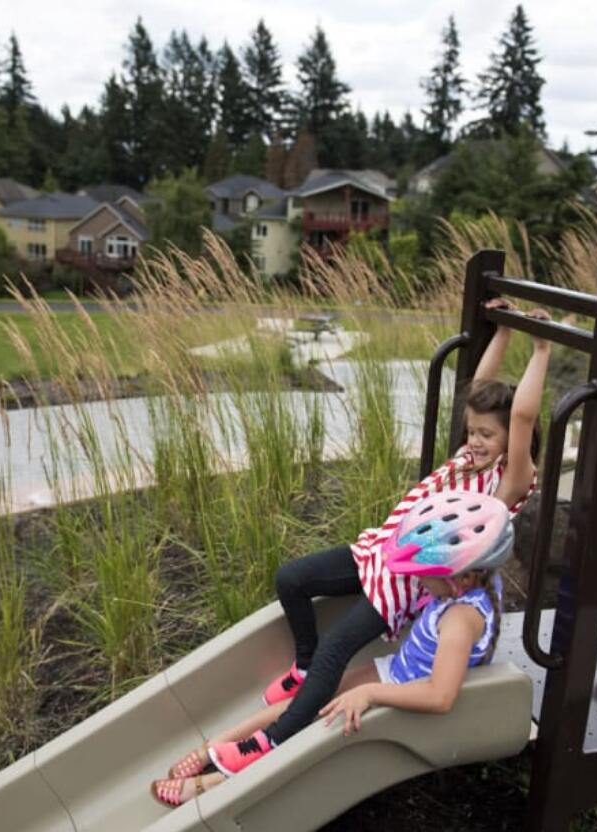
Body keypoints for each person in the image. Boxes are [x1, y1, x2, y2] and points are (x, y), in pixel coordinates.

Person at [180, 299, 552, 780]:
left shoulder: (507, 484)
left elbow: (520, 418)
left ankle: (271, 740)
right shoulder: (468, 456)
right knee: (291, 579)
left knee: (338, 650)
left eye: (486, 435)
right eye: (473, 431)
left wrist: (541, 349)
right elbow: (478, 395)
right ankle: (304, 666)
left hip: (411, 579)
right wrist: (500, 332)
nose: (476, 439)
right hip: (378, 551)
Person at [152, 492, 515, 806]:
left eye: (424, 574)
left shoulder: (461, 620)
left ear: (462, 577)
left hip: (403, 697)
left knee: (316, 722)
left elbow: (440, 696)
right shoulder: (469, 586)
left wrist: (373, 693)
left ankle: (214, 784)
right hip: (396, 674)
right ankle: (214, 747)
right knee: (308, 699)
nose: (418, 580)